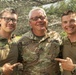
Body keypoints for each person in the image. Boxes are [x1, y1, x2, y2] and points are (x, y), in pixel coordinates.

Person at [18, 7, 62, 75]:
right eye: (35, 18)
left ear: (46, 20)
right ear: (30, 23)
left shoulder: (56, 37)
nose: (39, 20)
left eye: (42, 17)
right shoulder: (22, 41)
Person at [55, 11, 76, 75]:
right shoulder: (62, 42)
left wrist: (73, 68)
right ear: (62, 25)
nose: (68, 24)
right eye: (65, 22)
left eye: (72, 21)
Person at [0, 7, 20, 75]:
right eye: (7, 19)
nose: (11, 22)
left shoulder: (15, 41)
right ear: (0, 20)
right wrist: (2, 70)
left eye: (14, 20)